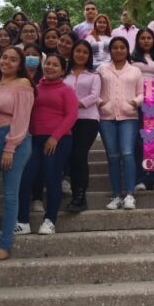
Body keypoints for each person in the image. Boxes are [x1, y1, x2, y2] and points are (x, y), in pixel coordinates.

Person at [0, 46, 35, 261]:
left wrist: (10, 147)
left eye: (13, 59)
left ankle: (4, 244)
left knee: (11, 194)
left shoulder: (23, 84)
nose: (7, 62)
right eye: (4, 58)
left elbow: (22, 118)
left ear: (20, 65)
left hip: (14, 140)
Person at [18, 53, 78, 234]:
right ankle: (22, 221)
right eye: (48, 64)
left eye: (55, 65)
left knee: (52, 179)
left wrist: (55, 137)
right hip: (35, 139)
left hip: (58, 140)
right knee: (26, 178)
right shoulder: (34, 88)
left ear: (62, 70)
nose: (50, 67)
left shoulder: (67, 90)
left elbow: (71, 115)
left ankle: (50, 220)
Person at [98, 37, 143, 210]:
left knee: (127, 153)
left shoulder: (135, 71)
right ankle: (116, 195)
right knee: (113, 156)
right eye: (115, 48)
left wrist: (134, 103)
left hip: (129, 116)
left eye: (122, 47)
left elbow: (141, 93)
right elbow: (96, 90)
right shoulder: (102, 69)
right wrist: (101, 102)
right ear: (110, 50)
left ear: (127, 49)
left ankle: (130, 194)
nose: (118, 50)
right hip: (107, 117)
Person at [66, 40, 101, 212]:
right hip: (66, 120)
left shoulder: (94, 75)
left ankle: (80, 197)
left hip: (87, 119)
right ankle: (74, 194)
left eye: (85, 52)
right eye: (78, 51)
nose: (81, 54)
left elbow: (95, 96)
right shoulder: (64, 74)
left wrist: (74, 104)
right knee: (70, 157)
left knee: (79, 155)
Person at [131, 28, 154, 191]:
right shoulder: (131, 59)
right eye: (142, 38)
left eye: (149, 38)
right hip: (138, 104)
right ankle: (140, 178)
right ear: (138, 41)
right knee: (140, 142)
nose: (146, 40)